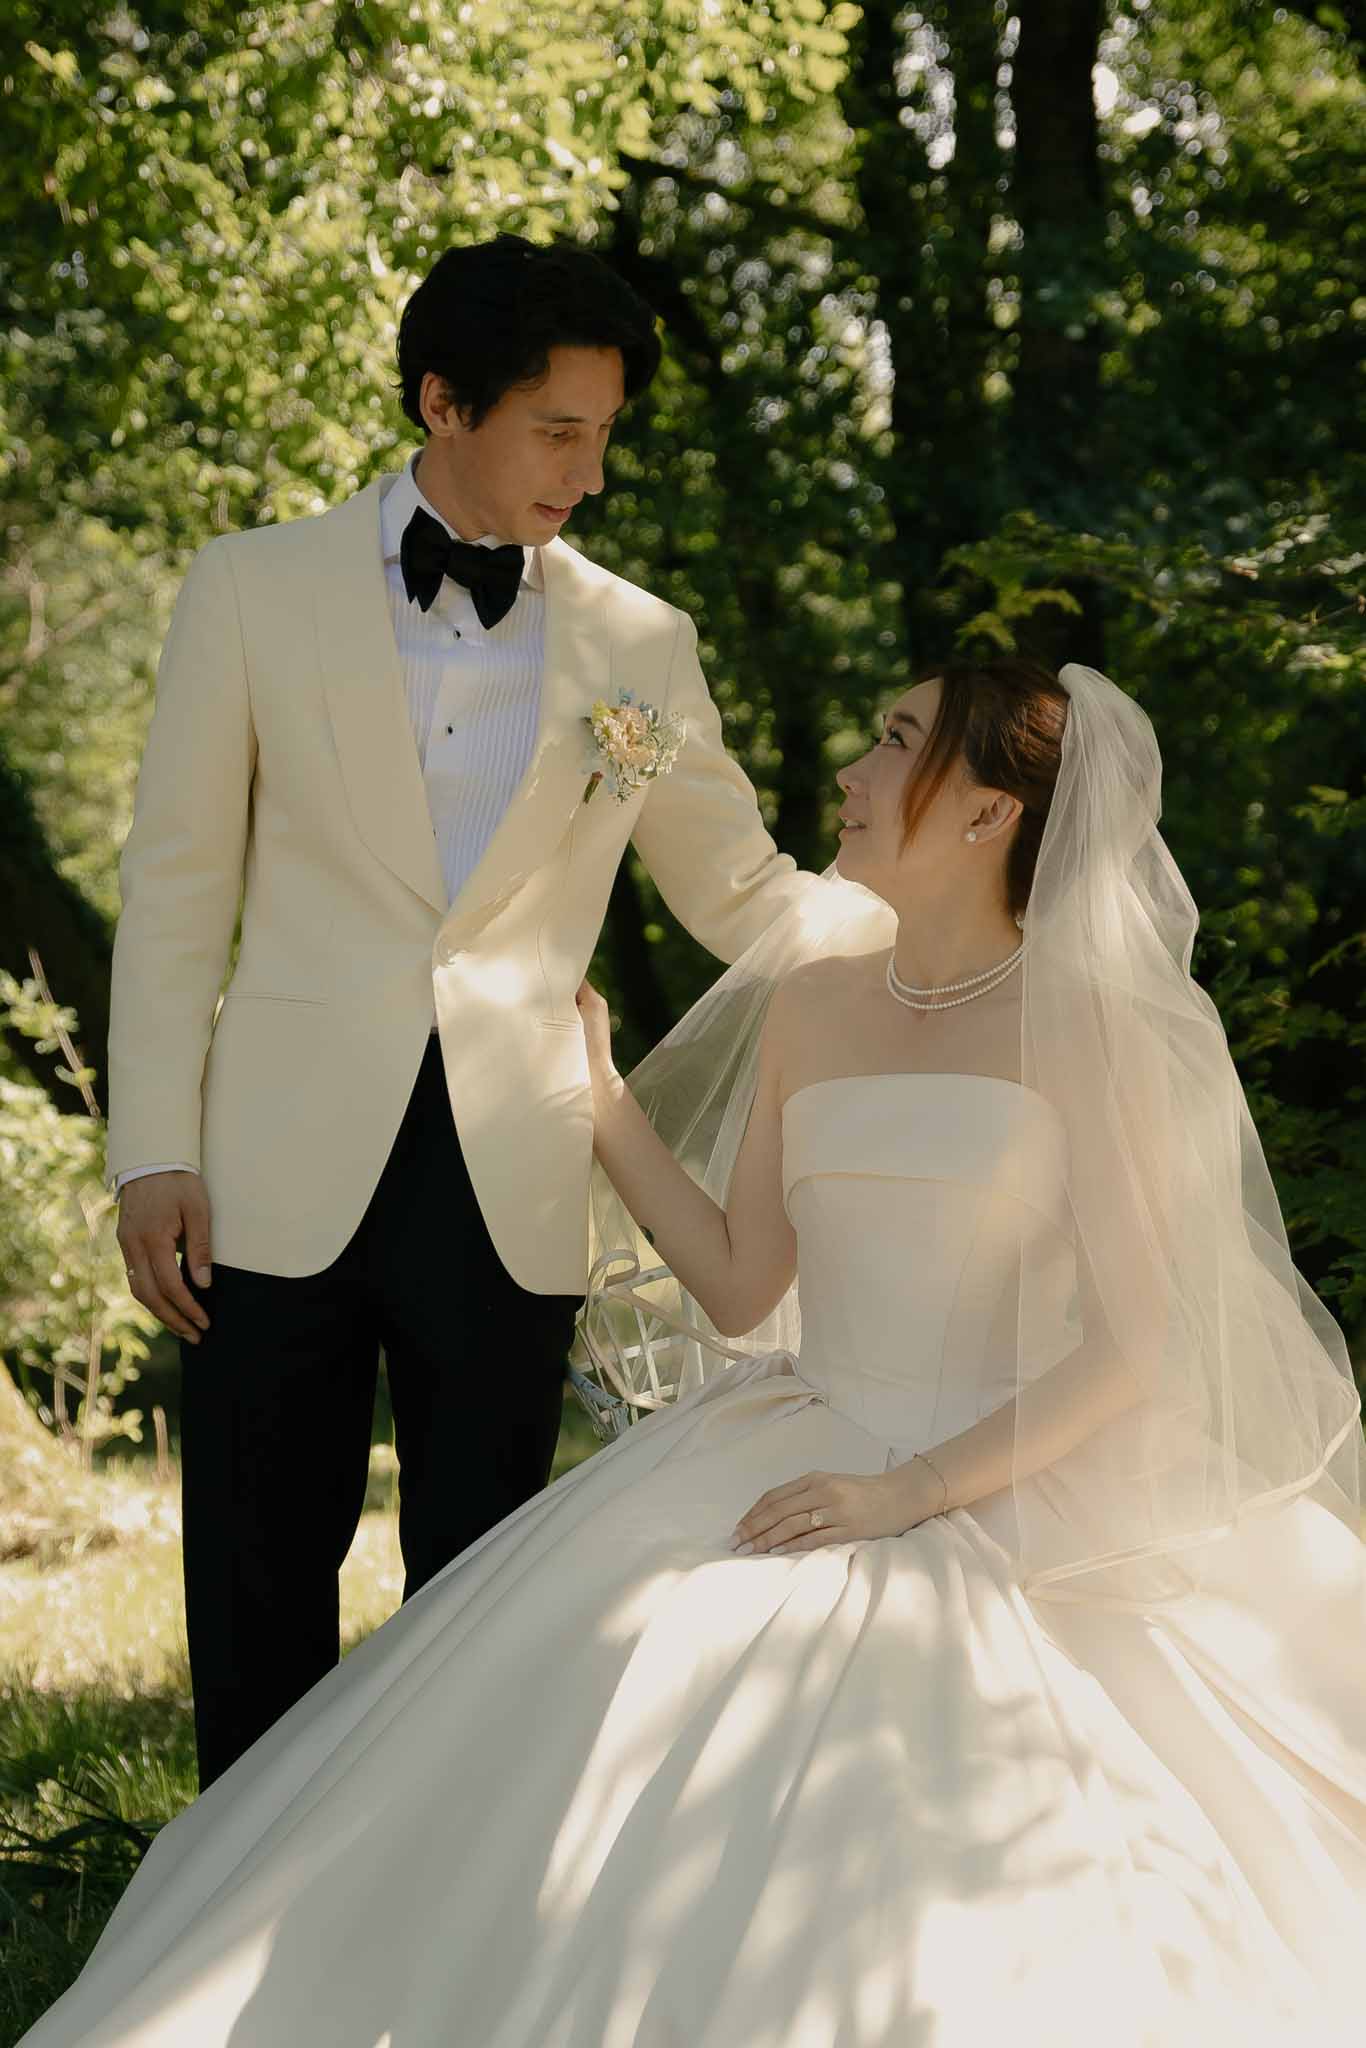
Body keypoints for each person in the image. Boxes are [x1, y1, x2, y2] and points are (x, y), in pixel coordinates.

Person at [28, 659, 1366, 2046]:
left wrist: (908, 1494)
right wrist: (604, 1107)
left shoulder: (1090, 1029)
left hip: (988, 1469)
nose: (848, 772)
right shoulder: (816, 1002)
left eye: (894, 741)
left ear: (986, 814)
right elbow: (740, 1284)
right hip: (796, 1418)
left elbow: (1136, 1349)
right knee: (614, 1663)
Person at [106, 231, 808, 1789]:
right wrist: (148, 1145)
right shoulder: (249, 588)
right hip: (266, 1168)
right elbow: (174, 889)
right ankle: (227, 1943)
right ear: (441, 403)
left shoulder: (641, 643)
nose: (591, 472)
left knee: (480, 1596)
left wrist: (971, 936)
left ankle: (439, 1956)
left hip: (514, 1167)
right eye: (559, 430)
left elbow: (743, 893)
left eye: (605, 433)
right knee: (254, 1576)